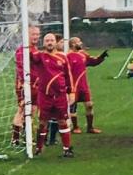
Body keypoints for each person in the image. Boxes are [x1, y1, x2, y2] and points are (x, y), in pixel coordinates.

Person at [31, 29, 75, 157]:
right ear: (43, 43)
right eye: (47, 40)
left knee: (62, 121)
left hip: (60, 95)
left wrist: (71, 92)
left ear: (56, 42)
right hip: (44, 95)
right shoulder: (39, 56)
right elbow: (28, 53)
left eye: (51, 40)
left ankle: (67, 149)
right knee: (42, 122)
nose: (49, 43)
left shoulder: (63, 57)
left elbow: (68, 75)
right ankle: (39, 147)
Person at [65, 38, 109, 136]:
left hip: (83, 85)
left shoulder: (83, 54)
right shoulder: (68, 56)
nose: (81, 43)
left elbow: (92, 61)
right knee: (72, 107)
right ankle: (75, 127)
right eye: (78, 42)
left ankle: (90, 127)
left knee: (89, 105)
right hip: (73, 85)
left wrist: (101, 57)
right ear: (72, 44)